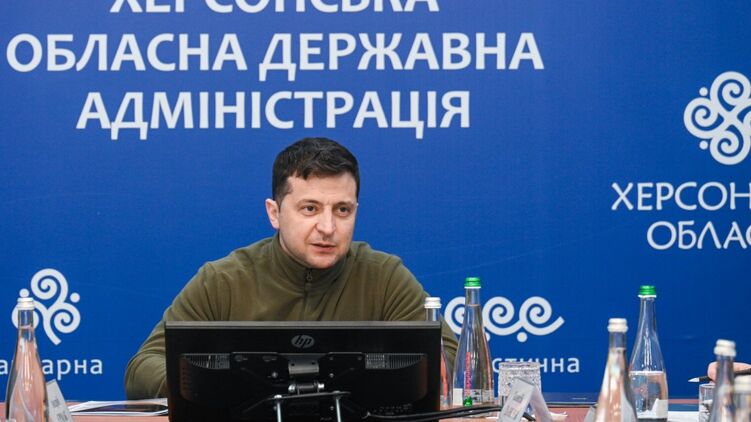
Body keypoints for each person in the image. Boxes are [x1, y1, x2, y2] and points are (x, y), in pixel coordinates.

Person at [125, 137, 459, 399]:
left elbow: (450, 360)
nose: (328, 227)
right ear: (275, 213)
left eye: (342, 210)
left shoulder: (384, 277)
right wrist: (221, 385)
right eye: (310, 208)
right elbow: (143, 368)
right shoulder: (222, 281)